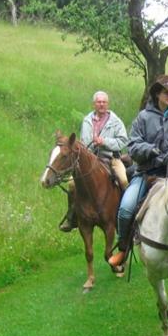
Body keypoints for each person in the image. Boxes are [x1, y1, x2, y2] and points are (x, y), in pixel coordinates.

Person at [108, 75, 168, 267]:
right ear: (157, 93)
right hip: (147, 172)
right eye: (167, 92)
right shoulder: (143, 117)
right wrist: (151, 150)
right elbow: (133, 145)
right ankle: (123, 249)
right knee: (125, 209)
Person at [59, 91, 129, 232]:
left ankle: (123, 216)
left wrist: (104, 142)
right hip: (89, 160)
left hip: (111, 158)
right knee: (72, 184)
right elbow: (83, 141)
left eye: (104, 102)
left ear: (107, 104)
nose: (101, 104)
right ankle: (72, 217)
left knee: (123, 180)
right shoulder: (87, 120)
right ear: (94, 104)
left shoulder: (116, 121)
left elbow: (123, 141)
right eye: (99, 102)